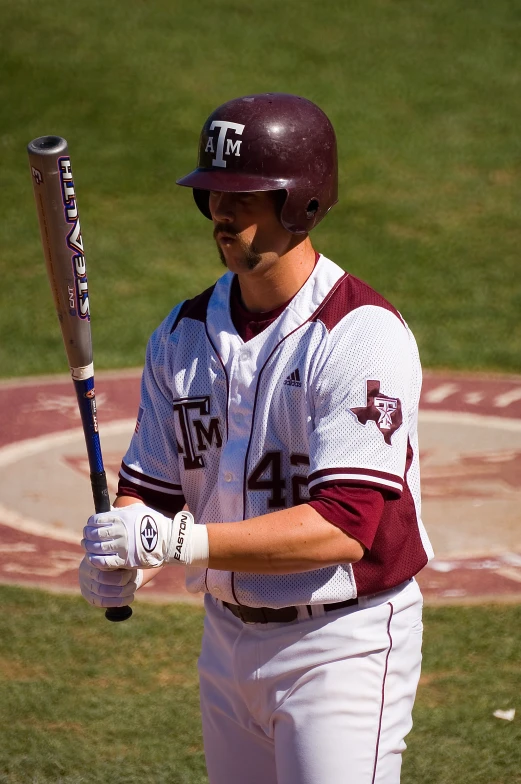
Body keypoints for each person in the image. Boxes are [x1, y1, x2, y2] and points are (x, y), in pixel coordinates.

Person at [80, 93, 433, 784]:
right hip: (226, 642)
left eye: (244, 195)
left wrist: (181, 543)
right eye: (213, 192)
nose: (220, 210)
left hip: (341, 645)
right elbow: (149, 492)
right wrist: (122, 557)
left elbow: (345, 525)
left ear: (300, 203)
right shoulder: (180, 336)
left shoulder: (358, 334)